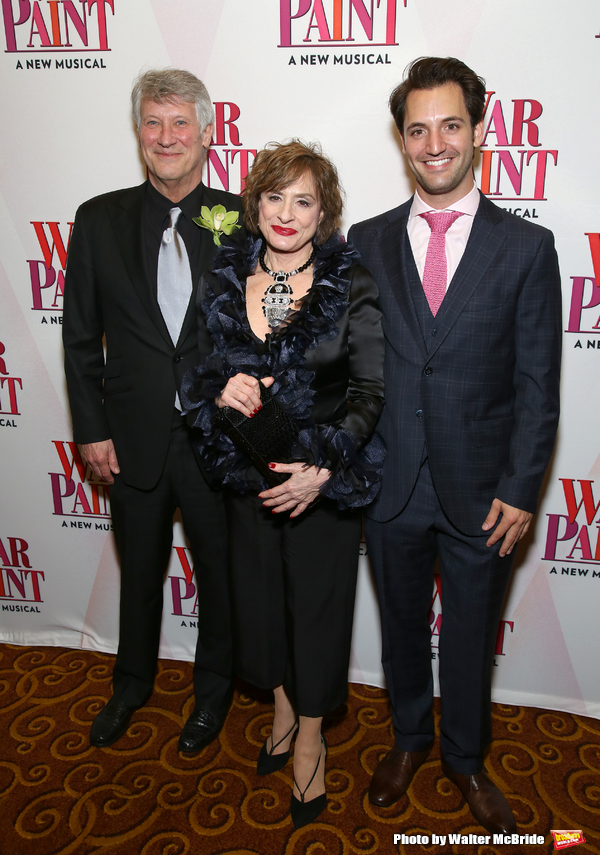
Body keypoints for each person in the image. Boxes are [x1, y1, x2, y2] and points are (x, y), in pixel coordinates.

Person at [348, 57, 561, 834]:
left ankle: (465, 757)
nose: (434, 144)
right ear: (401, 140)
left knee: (470, 636)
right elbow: (350, 366)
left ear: (478, 129)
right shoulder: (365, 241)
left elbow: (540, 384)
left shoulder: (527, 248)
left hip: (484, 491)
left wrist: (523, 486)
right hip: (389, 481)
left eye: (450, 125)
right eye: (417, 129)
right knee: (402, 627)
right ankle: (408, 739)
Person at [182, 140, 385, 827]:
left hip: (320, 483)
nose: (287, 213)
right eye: (274, 197)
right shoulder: (222, 274)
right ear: (255, 203)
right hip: (247, 474)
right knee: (262, 606)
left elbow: (368, 391)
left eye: (304, 200)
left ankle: (310, 737)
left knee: (318, 614)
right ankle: (279, 706)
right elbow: (195, 371)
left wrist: (324, 467)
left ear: (323, 210)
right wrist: (219, 387)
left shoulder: (352, 281)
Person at [62, 69, 243, 752]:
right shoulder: (98, 218)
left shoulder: (244, 218)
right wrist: (91, 428)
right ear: (139, 133)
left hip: (215, 438)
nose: (166, 138)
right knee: (138, 571)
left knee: (219, 577)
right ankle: (130, 683)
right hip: (130, 437)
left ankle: (213, 692)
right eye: (153, 123)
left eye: (180, 124)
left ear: (205, 133)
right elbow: (80, 337)